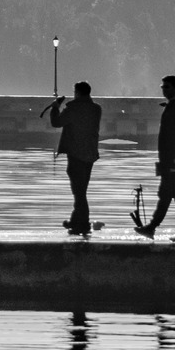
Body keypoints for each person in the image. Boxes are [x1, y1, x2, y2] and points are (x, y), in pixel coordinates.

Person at [136, 74, 175, 242]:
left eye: (167, 87)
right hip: (172, 159)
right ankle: (155, 227)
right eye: (162, 87)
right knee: (171, 194)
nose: (164, 90)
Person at [49, 81, 102, 235]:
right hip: (90, 154)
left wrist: (55, 107)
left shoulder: (73, 109)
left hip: (76, 154)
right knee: (81, 189)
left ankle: (83, 224)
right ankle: (75, 220)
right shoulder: (96, 109)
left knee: (78, 192)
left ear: (77, 92)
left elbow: (56, 122)